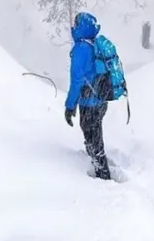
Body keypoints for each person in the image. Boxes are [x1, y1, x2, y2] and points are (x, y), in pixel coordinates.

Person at [64, 11, 111, 180]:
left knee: (91, 132)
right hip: (101, 98)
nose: (73, 27)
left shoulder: (81, 48)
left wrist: (70, 106)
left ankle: (102, 172)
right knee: (93, 130)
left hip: (90, 101)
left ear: (81, 27)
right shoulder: (94, 44)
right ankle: (97, 162)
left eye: (76, 24)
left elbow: (76, 81)